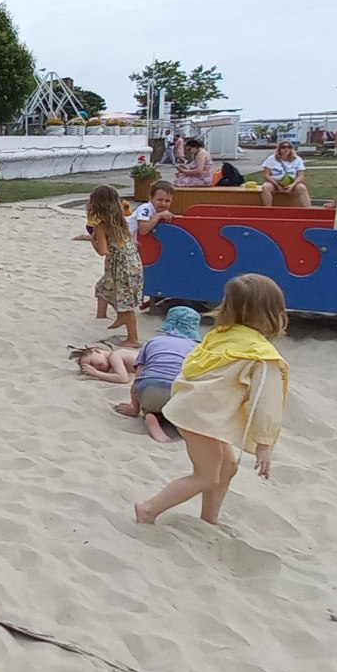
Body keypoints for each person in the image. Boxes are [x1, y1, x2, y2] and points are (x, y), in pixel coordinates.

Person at [136, 274, 289, 526]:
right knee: (206, 476)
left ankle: (209, 518)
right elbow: (266, 403)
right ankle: (148, 509)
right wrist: (264, 443)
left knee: (228, 466)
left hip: (194, 408)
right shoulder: (263, 357)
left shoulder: (220, 334)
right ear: (273, 313)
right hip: (200, 416)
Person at [77, 306, 204, 443]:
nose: (94, 367)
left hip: (148, 389)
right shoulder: (196, 348)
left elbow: (138, 378)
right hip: (175, 391)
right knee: (182, 408)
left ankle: (151, 415)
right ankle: (173, 422)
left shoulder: (152, 342)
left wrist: (134, 408)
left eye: (92, 362)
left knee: (151, 403)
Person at [74, 185, 142, 346]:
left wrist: (93, 241)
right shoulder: (119, 221)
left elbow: (102, 251)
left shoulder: (101, 225)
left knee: (125, 302)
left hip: (120, 268)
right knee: (104, 288)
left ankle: (133, 339)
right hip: (132, 264)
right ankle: (121, 317)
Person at [260, 141, 310, 207]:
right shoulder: (271, 159)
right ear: (279, 149)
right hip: (274, 182)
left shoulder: (297, 159)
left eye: (289, 147)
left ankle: (308, 209)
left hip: (292, 182)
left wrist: (292, 185)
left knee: (302, 188)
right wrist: (277, 185)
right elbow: (266, 175)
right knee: (265, 187)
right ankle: (268, 208)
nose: (287, 149)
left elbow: (301, 176)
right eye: (284, 147)